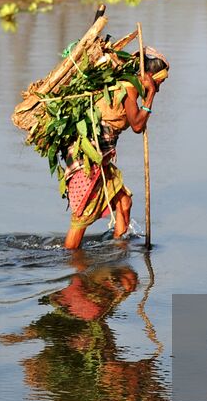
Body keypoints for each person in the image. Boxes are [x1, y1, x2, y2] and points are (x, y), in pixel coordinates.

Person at [61, 47, 168, 250]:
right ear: (149, 77)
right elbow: (137, 125)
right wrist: (150, 95)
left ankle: (119, 251)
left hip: (101, 158)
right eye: (158, 83)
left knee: (124, 203)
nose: (159, 88)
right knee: (83, 216)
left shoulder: (130, 87)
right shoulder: (128, 88)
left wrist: (147, 96)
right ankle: (71, 263)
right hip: (88, 158)